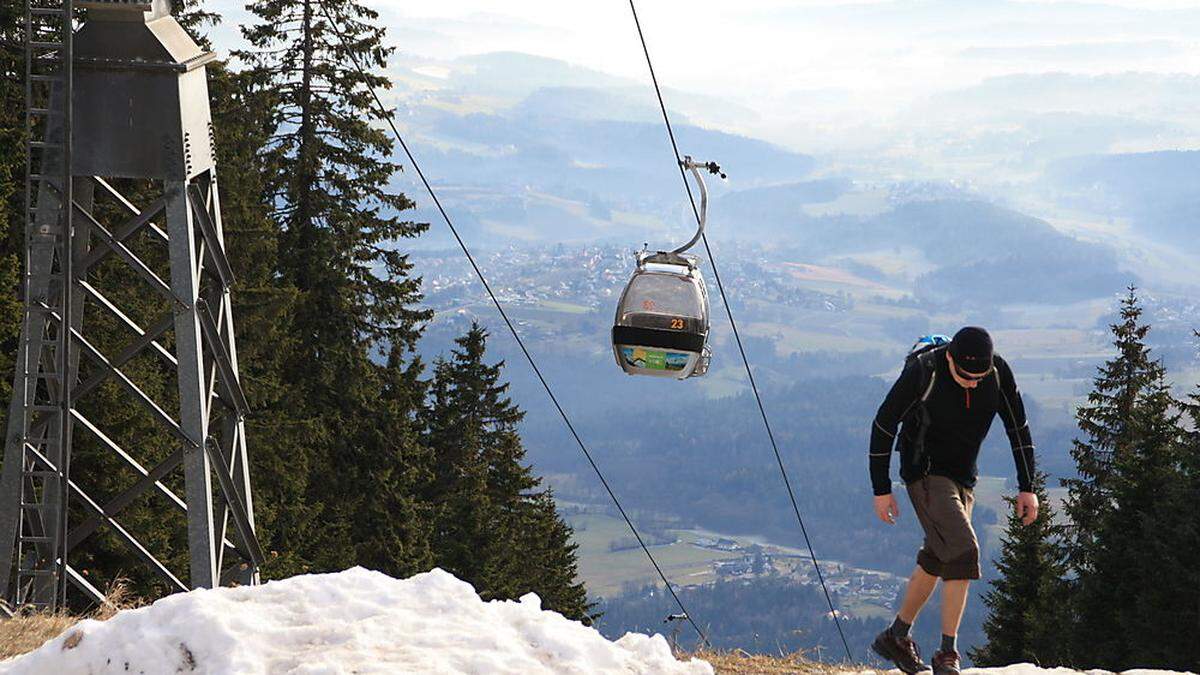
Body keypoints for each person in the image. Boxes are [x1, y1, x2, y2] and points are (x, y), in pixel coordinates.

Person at [868, 327, 1038, 675]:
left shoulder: (998, 372)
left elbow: (1017, 428)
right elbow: (884, 425)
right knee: (963, 550)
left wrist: (1027, 486)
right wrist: (881, 489)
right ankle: (948, 653)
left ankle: (896, 636)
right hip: (924, 472)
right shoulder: (924, 372)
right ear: (949, 358)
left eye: (980, 376)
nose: (973, 383)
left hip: (964, 476)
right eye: (966, 376)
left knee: (937, 557)